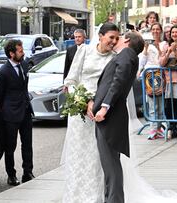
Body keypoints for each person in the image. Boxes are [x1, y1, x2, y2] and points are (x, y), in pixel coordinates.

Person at [62, 23, 119, 203]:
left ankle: (95, 198)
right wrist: (83, 102)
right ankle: (75, 197)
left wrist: (99, 106)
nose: (114, 41)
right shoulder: (84, 51)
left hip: (100, 115)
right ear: (100, 36)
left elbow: (113, 89)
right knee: (78, 156)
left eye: (117, 38)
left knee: (96, 158)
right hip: (80, 114)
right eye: (111, 37)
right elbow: (70, 81)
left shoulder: (115, 58)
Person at [91, 31, 144, 203]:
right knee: (110, 164)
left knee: (111, 165)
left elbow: (118, 81)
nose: (115, 41)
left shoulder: (127, 53)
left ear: (126, 41)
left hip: (111, 116)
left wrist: (104, 108)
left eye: (119, 38)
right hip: (112, 116)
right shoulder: (128, 55)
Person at [0, 39, 35, 186]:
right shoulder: (3, 72)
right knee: (10, 146)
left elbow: (24, 87)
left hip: (25, 110)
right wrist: (6, 110)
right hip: (11, 114)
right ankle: (11, 175)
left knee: (27, 144)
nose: (23, 52)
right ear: (11, 54)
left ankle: (28, 172)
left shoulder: (23, 65)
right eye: (20, 51)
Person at [159, 24, 177, 140]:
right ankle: (171, 127)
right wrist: (168, 52)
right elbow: (161, 63)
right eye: (172, 33)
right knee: (169, 106)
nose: (174, 34)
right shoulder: (166, 46)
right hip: (169, 80)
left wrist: (175, 51)